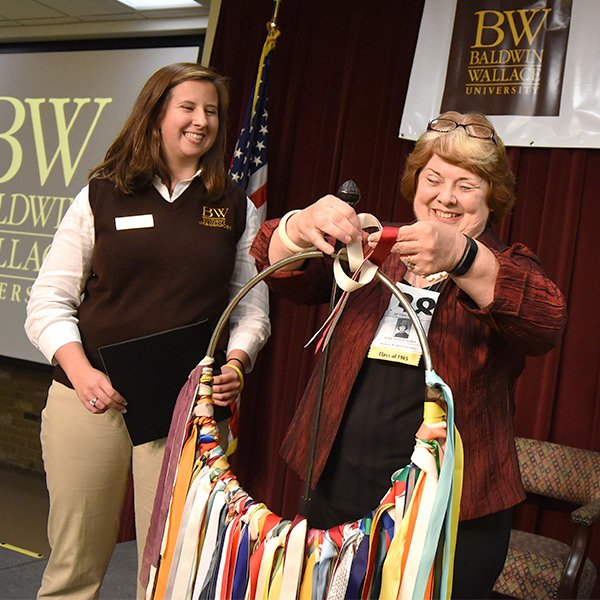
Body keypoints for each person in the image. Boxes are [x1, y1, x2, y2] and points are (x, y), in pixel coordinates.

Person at [249, 111, 567, 599]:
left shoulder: (505, 267)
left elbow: (545, 320)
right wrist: (301, 224)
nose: (445, 196)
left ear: (493, 196)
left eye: (467, 184)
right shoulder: (377, 249)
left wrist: (461, 256)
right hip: (341, 492)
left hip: (453, 511)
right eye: (434, 178)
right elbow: (276, 261)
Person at [25, 63, 270, 600]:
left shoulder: (234, 205)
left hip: (182, 408)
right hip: (89, 400)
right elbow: (48, 300)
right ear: (156, 115)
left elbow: (250, 308)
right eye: (188, 107)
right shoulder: (101, 195)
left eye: (211, 111)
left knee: (168, 572)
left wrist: (237, 362)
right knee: (73, 567)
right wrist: (82, 372)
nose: (201, 121)